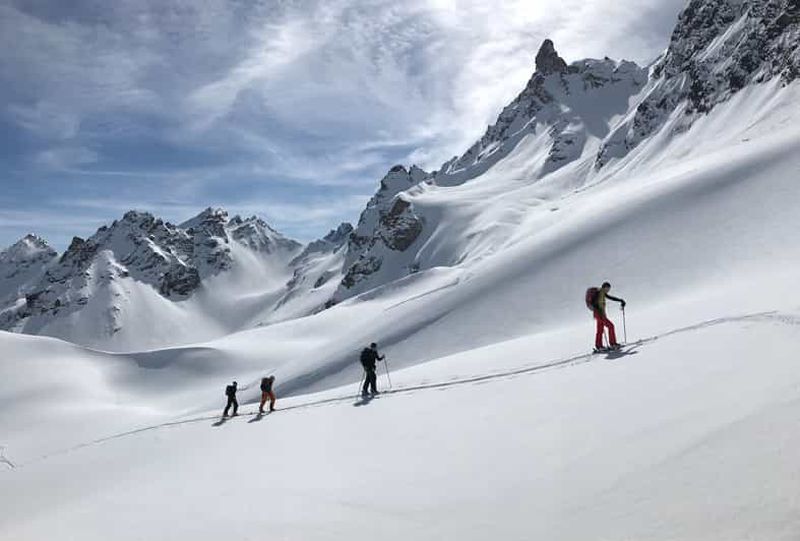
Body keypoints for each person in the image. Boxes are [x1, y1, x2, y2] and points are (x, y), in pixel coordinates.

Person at [588, 282, 626, 351]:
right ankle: (612, 344)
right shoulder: (599, 293)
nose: (608, 290)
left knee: (600, 330)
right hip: (600, 314)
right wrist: (598, 309)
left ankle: (599, 346)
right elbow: (593, 302)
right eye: (608, 288)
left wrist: (620, 300)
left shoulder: (602, 293)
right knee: (611, 326)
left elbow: (610, 297)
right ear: (605, 287)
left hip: (598, 314)